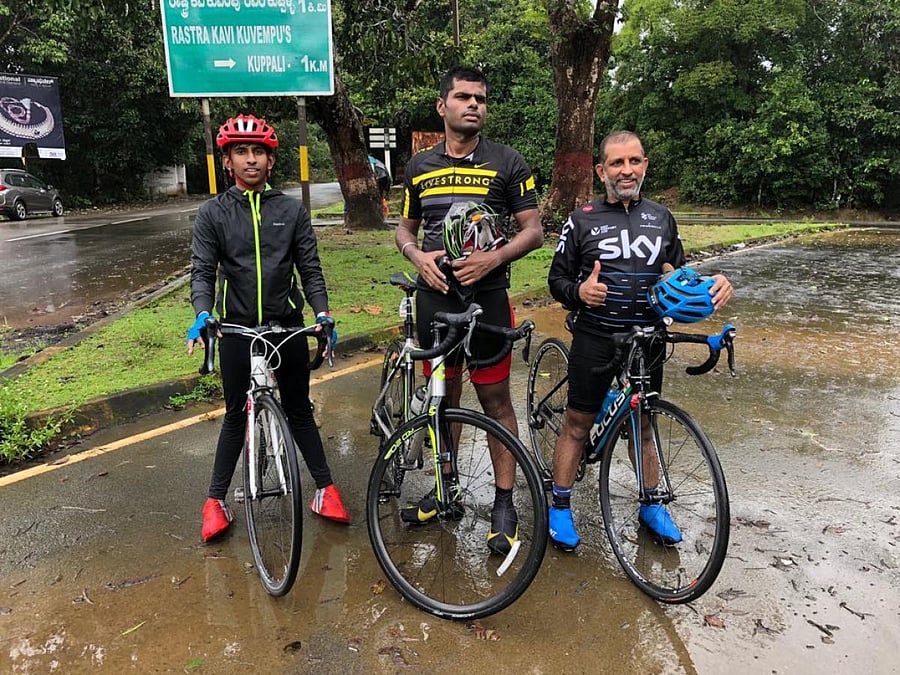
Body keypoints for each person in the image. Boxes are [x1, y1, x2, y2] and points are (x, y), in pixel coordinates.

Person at [546, 130, 733, 550]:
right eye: (616, 163)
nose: (626, 170)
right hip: (595, 335)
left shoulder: (662, 218)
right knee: (577, 424)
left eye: (634, 161)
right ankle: (559, 504)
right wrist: (580, 293)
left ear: (645, 165)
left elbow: (677, 274)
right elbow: (556, 281)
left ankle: (651, 503)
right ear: (601, 170)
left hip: (647, 339)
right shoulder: (582, 219)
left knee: (644, 423)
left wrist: (714, 284)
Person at [394, 65, 544, 557]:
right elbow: (405, 229)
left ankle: (504, 504)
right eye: (463, 97)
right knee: (443, 399)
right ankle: (444, 490)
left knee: (496, 401)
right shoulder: (417, 167)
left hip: (489, 300)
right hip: (433, 299)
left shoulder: (508, 162)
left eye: (480, 98)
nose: (473, 105)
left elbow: (534, 230)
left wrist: (494, 257)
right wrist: (417, 257)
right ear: (443, 107)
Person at [187, 114, 350, 543]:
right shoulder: (213, 213)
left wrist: (322, 313)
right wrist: (203, 313)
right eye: (241, 151)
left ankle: (326, 488)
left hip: (288, 326)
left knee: (298, 409)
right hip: (236, 331)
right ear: (227, 160)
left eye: (258, 151)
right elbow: (203, 272)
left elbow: (310, 269)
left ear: (271, 160)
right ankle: (215, 501)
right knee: (235, 415)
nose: (251, 159)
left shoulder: (290, 210)